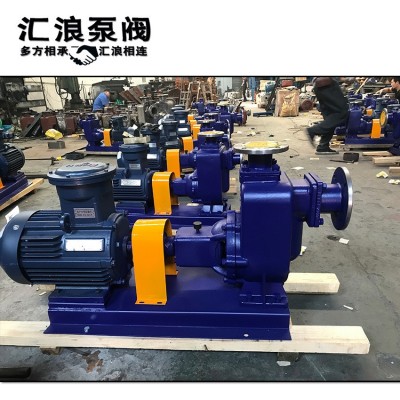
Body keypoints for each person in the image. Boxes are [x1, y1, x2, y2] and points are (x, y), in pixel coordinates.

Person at [306, 77, 349, 155]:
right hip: (326, 85)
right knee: (341, 113)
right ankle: (313, 130)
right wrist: (343, 79)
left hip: (322, 85)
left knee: (330, 116)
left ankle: (323, 146)